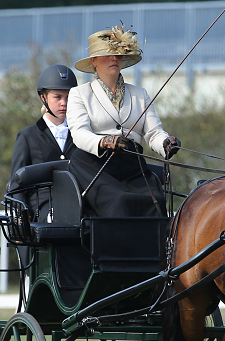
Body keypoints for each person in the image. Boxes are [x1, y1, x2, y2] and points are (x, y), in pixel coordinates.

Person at [67, 25, 180, 217]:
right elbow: (78, 133)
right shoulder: (79, 94)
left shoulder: (140, 94)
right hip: (95, 166)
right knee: (119, 203)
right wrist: (104, 141)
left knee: (157, 203)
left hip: (132, 165)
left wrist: (165, 143)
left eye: (118, 55)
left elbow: (153, 133)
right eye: (108, 54)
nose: (114, 59)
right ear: (93, 61)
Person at [10, 64, 78, 220]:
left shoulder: (80, 134)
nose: (64, 103)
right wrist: (22, 215)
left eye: (68, 97)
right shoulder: (27, 136)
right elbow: (17, 183)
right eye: (58, 97)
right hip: (41, 209)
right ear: (43, 98)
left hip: (76, 203)